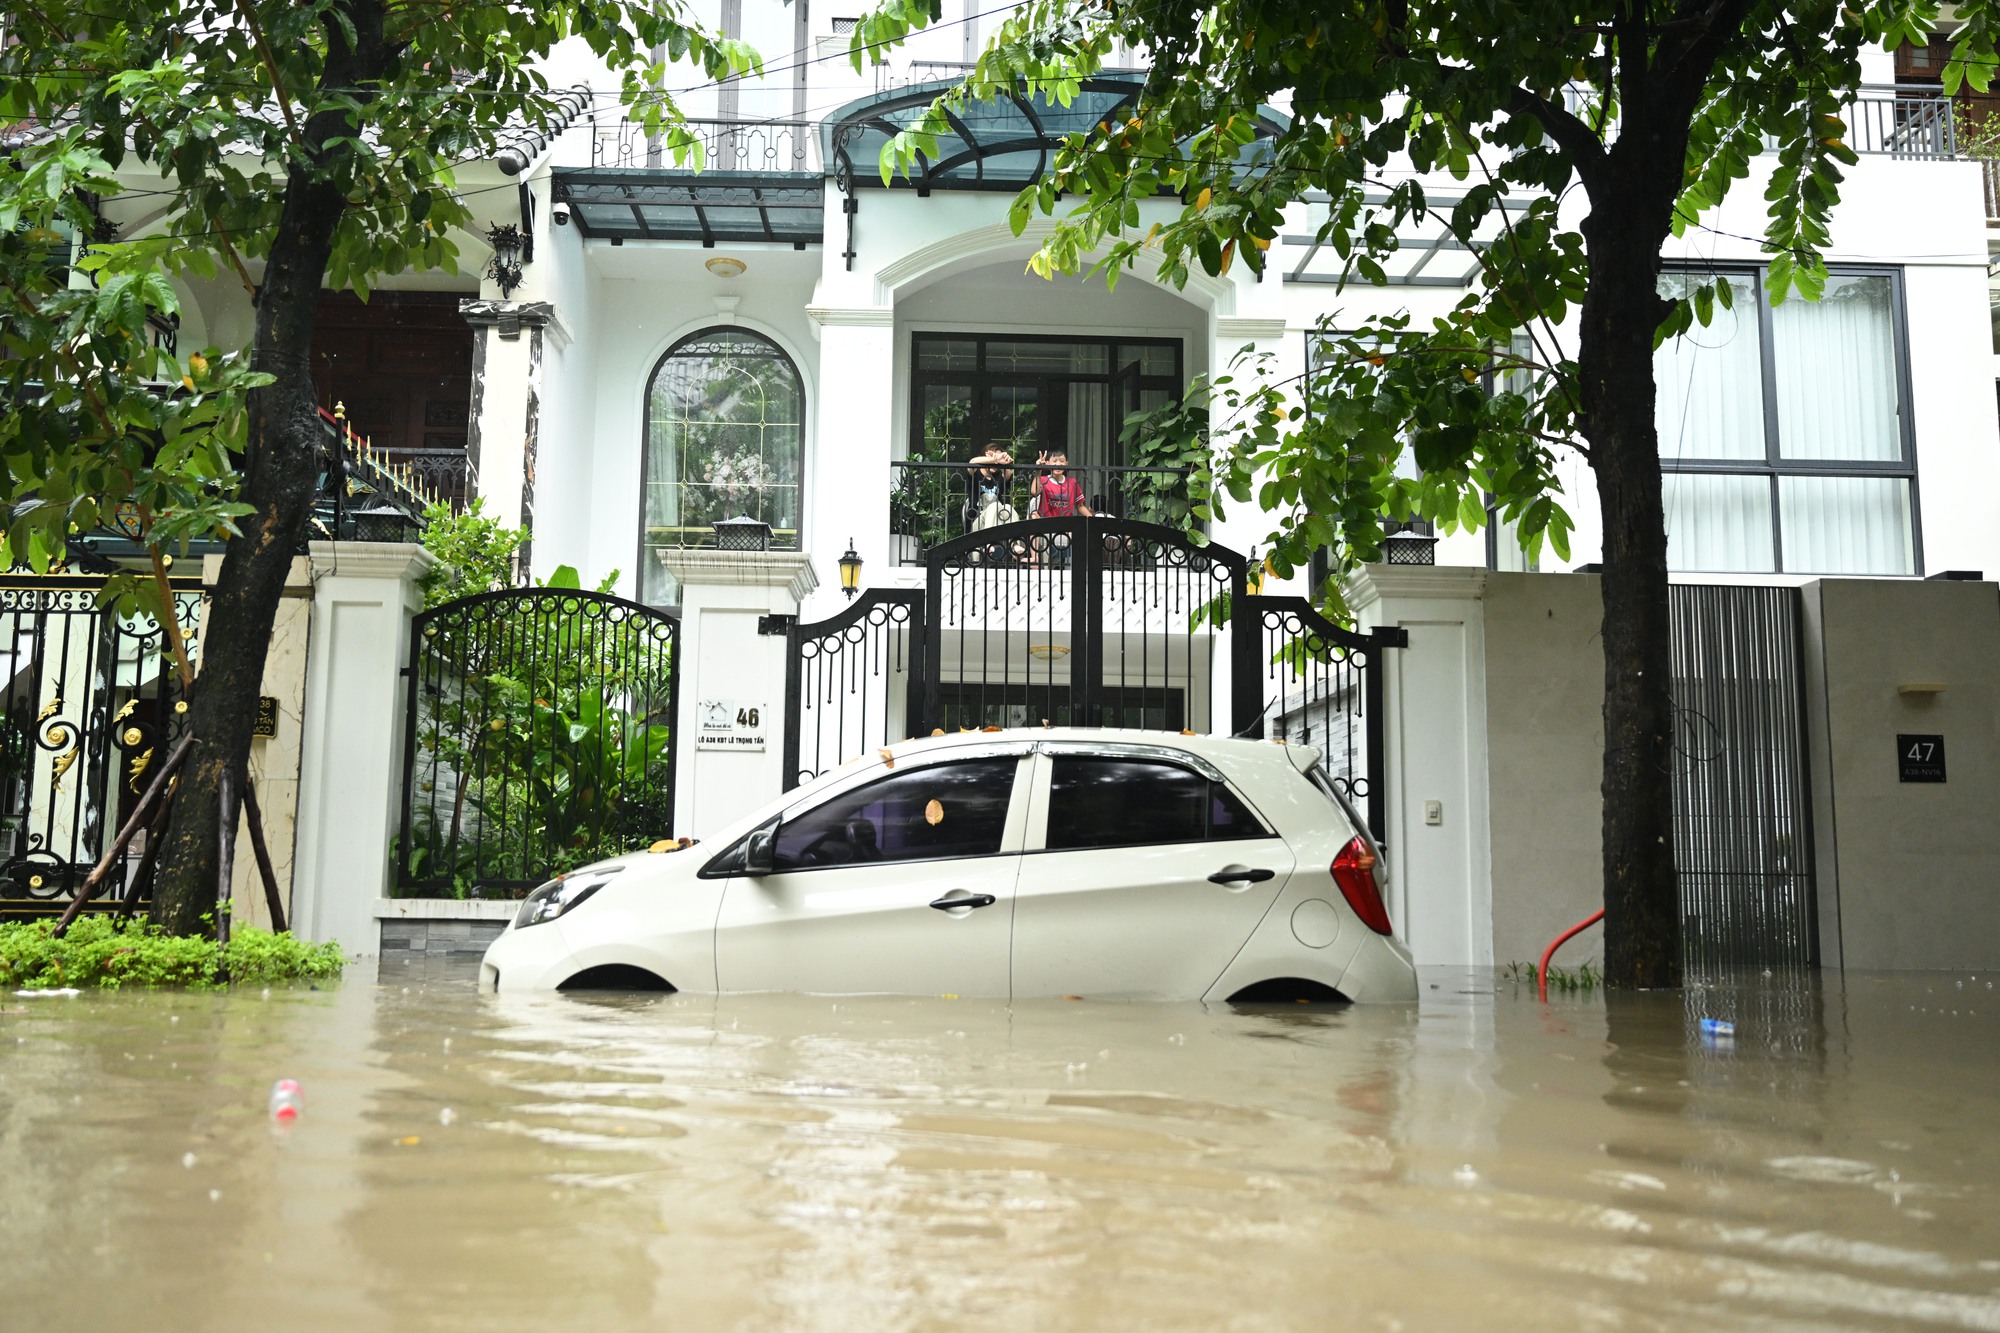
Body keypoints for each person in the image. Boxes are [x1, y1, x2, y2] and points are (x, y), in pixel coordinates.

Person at [1031, 450, 1093, 566]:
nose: (1058, 464)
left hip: (1066, 526)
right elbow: (1034, 491)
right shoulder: (1044, 480)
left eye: (1061, 461)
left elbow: (1080, 505)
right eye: (1054, 461)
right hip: (1046, 524)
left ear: (1066, 464)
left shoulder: (1072, 482)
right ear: (1048, 463)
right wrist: (1038, 469)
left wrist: (1093, 519)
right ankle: (1039, 567)